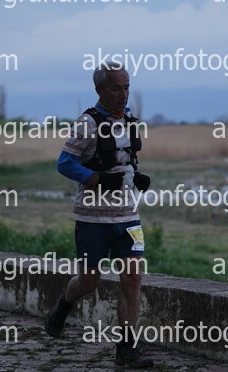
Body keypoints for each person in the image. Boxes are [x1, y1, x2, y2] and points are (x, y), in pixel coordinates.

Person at [44, 62, 153, 368]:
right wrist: (95, 179)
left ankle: (127, 350)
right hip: (92, 219)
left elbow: (123, 158)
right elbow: (65, 163)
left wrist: (136, 176)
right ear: (100, 90)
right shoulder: (87, 124)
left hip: (128, 217)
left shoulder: (129, 121)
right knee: (89, 281)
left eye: (126, 87)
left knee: (132, 277)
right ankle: (62, 307)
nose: (123, 94)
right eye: (116, 88)